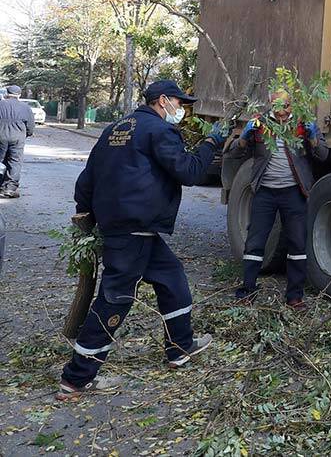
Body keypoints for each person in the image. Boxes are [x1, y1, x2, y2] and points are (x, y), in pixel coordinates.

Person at [57, 80, 229, 401]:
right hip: (133, 229)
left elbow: (87, 179)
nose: (181, 109)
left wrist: (89, 219)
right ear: (163, 101)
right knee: (115, 299)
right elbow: (189, 172)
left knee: (172, 279)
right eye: (179, 103)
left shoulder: (115, 129)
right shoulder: (159, 130)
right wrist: (210, 142)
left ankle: (180, 348)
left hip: (135, 229)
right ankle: (76, 379)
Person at [229, 89, 329, 310]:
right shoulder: (259, 124)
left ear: (291, 105)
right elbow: (233, 153)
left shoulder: (303, 124)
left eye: (285, 107)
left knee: (297, 244)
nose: (281, 113)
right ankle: (248, 291)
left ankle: (295, 297)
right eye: (276, 108)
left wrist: (312, 137)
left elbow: (323, 155)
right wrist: (244, 138)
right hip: (265, 192)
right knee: (255, 242)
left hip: (293, 192)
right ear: (270, 105)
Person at [0, 84, 35, 198]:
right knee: (15, 162)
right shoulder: (26, 108)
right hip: (17, 137)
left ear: (6, 94)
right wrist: (27, 134)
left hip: (0, 135)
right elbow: (30, 126)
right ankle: (9, 189)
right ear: (19, 95)